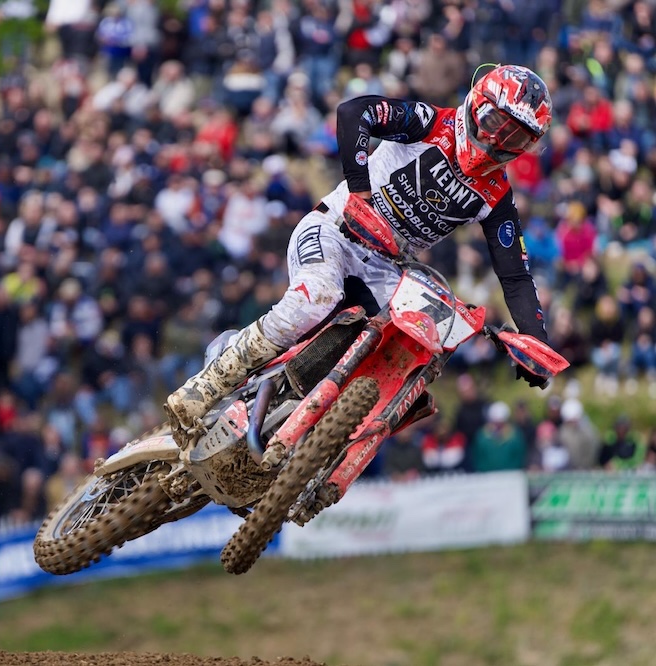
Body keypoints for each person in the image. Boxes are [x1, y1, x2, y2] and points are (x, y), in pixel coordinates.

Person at [165, 64, 555, 447]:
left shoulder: (496, 195)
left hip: (387, 268)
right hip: (336, 230)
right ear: (476, 104)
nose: (496, 141)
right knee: (315, 299)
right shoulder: (432, 123)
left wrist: (535, 345)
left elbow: (515, 275)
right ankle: (207, 384)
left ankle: (311, 446)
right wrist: (361, 194)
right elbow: (354, 113)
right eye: (494, 122)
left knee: (408, 354)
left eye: (515, 137)